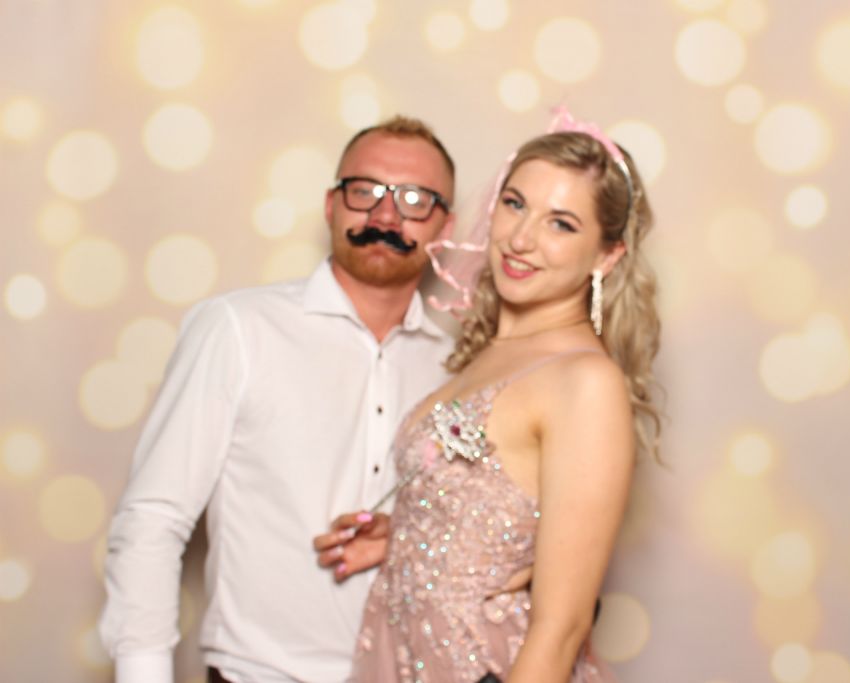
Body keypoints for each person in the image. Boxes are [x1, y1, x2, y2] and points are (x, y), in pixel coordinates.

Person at [99, 115, 457, 683]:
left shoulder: (458, 368)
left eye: (415, 199)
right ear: (331, 205)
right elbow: (153, 518)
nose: (385, 216)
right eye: (364, 191)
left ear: (444, 227)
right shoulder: (238, 329)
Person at [331, 111, 661, 682]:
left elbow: (561, 630)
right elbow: (496, 510)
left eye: (561, 224)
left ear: (606, 255)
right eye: (515, 204)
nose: (521, 238)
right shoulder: (487, 353)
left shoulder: (585, 381)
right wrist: (409, 536)